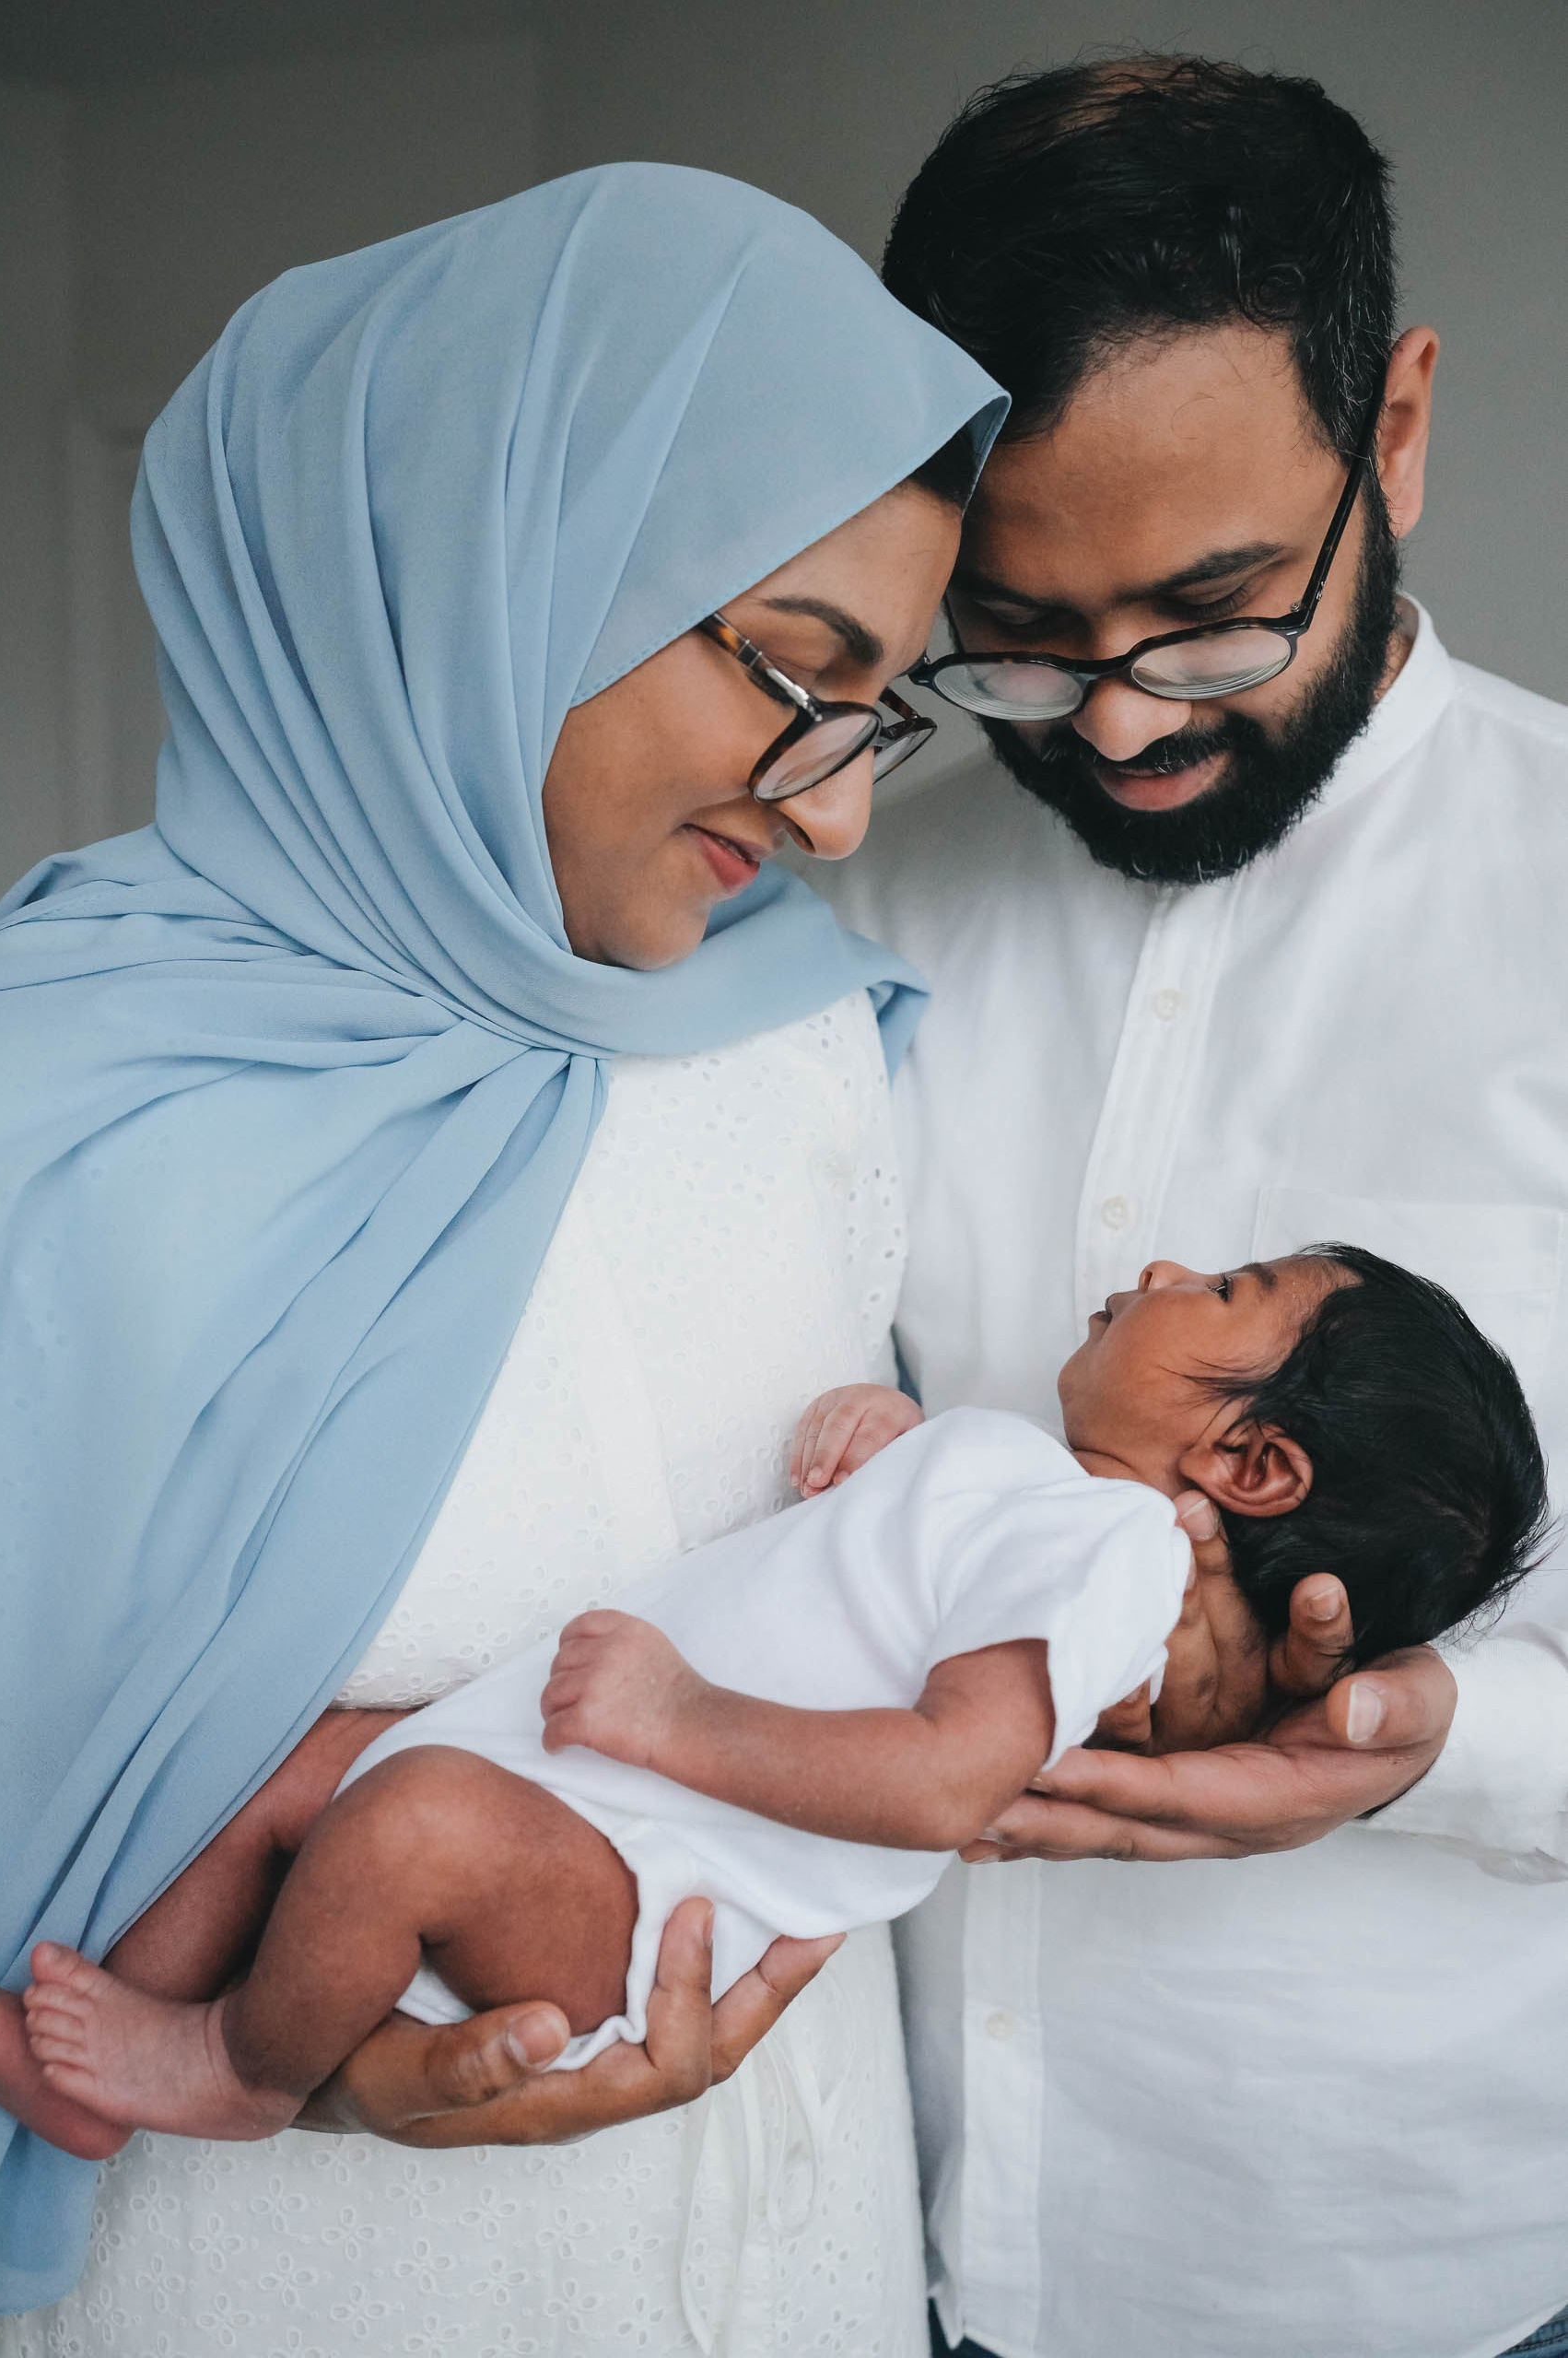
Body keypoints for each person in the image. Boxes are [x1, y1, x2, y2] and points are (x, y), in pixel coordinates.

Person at [0, 164, 1007, 2352]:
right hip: (263, 2277)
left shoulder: (801, 1040)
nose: (836, 811)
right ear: (492, 570)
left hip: (787, 2262)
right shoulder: (53, 1100)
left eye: (882, 709)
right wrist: (311, 2053)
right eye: (792, 673)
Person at [823, 54, 1568, 2358]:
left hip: (1416, 2277)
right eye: (1017, 640)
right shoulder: (824, 909)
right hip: (853, 2248)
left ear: (1400, 429)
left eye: (1215, 612)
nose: (1120, 723)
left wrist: (1432, 1738)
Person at [15, 1241, 1546, 2155]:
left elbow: (953, 1775)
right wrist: (900, 1447)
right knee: (313, 1766)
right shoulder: (1052, 1499)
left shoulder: (1111, 1552)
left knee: (403, 1823)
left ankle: (232, 2070)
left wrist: (676, 1717)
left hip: (649, 1879)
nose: (1157, 1272)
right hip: (585, 1797)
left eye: (1225, 1287)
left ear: (1255, 1465)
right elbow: (917, 1582)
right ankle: (128, 2028)